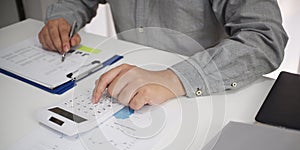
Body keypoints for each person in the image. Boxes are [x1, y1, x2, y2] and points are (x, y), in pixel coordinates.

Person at [39, 0, 288, 110]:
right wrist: (62, 17)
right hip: (124, 76)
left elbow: (265, 38)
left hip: (203, 92)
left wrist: (174, 78)